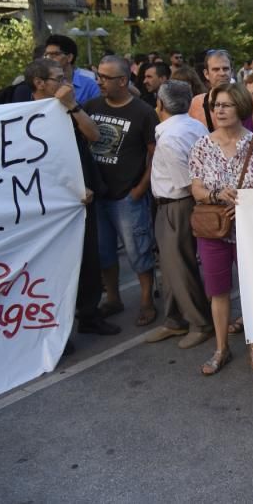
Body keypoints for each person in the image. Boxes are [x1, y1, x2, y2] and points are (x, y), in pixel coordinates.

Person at [26, 59, 118, 338]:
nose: (66, 84)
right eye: (58, 78)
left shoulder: (68, 110)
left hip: (82, 199)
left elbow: (93, 134)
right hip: (48, 205)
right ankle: (55, 329)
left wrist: (73, 106)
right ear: (39, 83)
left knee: (89, 261)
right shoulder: (24, 113)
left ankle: (89, 315)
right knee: (54, 267)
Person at [189, 82, 253, 375]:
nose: (219, 110)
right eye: (215, 106)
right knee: (218, 291)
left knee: (251, 289)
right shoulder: (202, 145)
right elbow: (196, 188)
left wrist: (245, 205)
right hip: (213, 228)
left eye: (226, 104)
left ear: (240, 106)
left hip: (248, 229)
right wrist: (216, 195)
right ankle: (221, 348)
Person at [83, 55, 160, 327]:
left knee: (138, 251)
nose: (100, 82)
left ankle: (146, 301)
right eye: (98, 76)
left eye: (105, 77)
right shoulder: (90, 107)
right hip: (98, 196)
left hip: (127, 197)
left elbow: (155, 155)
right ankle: (113, 298)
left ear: (123, 81)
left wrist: (140, 188)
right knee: (104, 252)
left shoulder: (142, 112)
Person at [144, 80, 214, 349]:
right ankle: (174, 319)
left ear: (160, 104)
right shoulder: (194, 125)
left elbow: (186, 183)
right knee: (172, 267)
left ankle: (200, 323)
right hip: (174, 204)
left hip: (177, 204)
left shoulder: (171, 137)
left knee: (180, 267)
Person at [42, 34, 100, 105]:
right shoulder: (41, 84)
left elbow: (96, 113)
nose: (49, 59)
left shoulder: (90, 85)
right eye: (46, 55)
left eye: (54, 54)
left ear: (69, 57)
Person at [189, 49, 234, 131]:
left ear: (232, 71)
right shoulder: (196, 103)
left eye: (225, 69)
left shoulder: (244, 101)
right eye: (216, 69)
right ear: (206, 74)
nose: (222, 73)